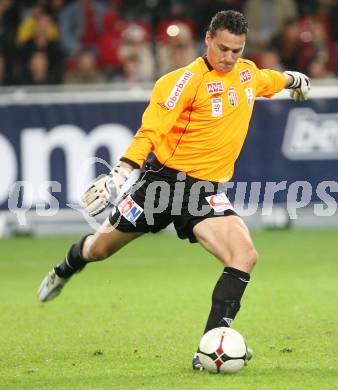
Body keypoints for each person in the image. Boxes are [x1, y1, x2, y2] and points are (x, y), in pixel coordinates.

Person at [37, 10, 310, 370]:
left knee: (244, 255)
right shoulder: (180, 82)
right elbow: (150, 131)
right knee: (99, 249)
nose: (229, 57)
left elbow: (268, 80)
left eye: (237, 50)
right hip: (161, 185)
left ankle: (209, 348)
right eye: (223, 48)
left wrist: (295, 79)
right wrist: (121, 173)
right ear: (208, 40)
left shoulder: (245, 73)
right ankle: (66, 267)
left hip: (204, 192)